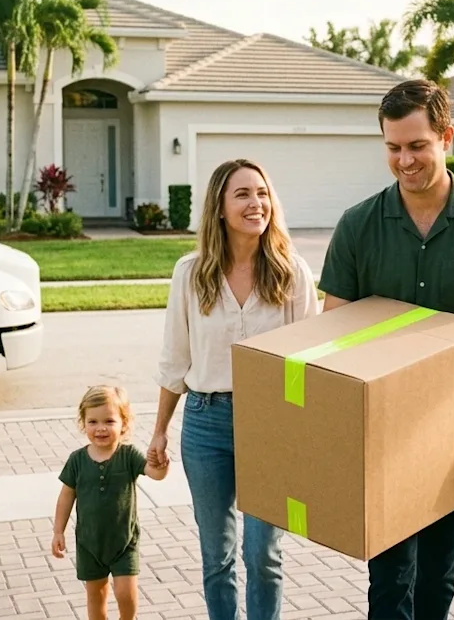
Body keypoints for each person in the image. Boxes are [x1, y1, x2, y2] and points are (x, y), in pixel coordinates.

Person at [317, 79, 454, 620]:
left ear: (447, 138)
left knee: (437, 582)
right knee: (390, 586)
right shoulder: (358, 226)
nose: (404, 160)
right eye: (393, 147)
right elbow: (331, 340)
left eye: (417, 146)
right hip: (380, 437)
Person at [147, 158, 320, 620]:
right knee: (216, 555)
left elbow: (311, 362)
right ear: (219, 208)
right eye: (242, 194)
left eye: (262, 193)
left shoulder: (291, 272)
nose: (256, 203)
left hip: (271, 424)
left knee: (263, 553)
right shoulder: (190, 273)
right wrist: (159, 431)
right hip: (205, 423)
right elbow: (175, 360)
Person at [52, 384, 170, 620]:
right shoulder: (77, 460)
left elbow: (154, 474)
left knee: (125, 594)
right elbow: (66, 496)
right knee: (96, 596)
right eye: (93, 421)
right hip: (89, 543)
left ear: (123, 423)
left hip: (124, 543)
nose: (100, 428)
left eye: (109, 421)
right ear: (83, 423)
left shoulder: (128, 456)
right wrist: (58, 531)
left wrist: (162, 465)